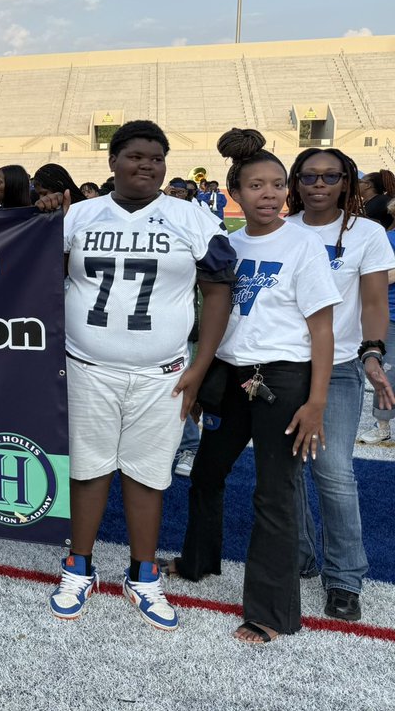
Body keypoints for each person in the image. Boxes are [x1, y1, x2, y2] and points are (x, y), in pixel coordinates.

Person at [41, 120, 235, 631]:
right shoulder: (78, 216)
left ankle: (142, 573)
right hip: (85, 366)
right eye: (136, 156)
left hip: (163, 372)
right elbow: (40, 279)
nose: (147, 165)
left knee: (148, 474)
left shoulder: (189, 217)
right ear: (112, 162)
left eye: (156, 157)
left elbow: (218, 291)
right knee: (87, 469)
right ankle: (78, 566)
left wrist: (201, 365)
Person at [169, 128, 338, 644]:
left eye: (276, 184)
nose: (268, 194)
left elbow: (322, 328)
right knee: (206, 470)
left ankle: (271, 612)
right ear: (233, 193)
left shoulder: (303, 244)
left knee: (275, 494)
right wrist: (201, 375)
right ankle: (199, 562)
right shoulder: (225, 245)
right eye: (256, 185)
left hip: (283, 380)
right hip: (232, 375)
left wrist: (316, 402)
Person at [286, 146, 393, 621]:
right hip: (283, 367)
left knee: (332, 473)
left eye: (331, 176)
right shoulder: (280, 229)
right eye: (309, 176)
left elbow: (372, 301)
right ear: (296, 182)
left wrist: (373, 351)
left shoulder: (368, 233)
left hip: (344, 366)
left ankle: (345, 578)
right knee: (285, 471)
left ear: (348, 182)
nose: (319, 184)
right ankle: (302, 557)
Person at [360, 195, 395, 445]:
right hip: (391, 316)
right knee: (386, 373)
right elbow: (378, 280)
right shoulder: (388, 240)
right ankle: (382, 425)